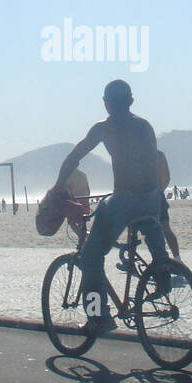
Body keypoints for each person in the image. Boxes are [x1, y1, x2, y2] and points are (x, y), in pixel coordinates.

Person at [51, 80, 170, 336]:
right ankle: (163, 270)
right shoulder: (145, 126)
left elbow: (74, 157)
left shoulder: (104, 128)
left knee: (90, 257)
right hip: (152, 198)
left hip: (125, 200)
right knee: (151, 224)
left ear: (106, 103)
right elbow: (154, 162)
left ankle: (99, 317)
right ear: (131, 101)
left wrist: (59, 186)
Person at [156, 150, 181, 259]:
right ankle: (177, 259)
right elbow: (167, 178)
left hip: (143, 196)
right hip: (157, 194)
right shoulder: (159, 154)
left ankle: (161, 260)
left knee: (136, 227)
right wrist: (160, 190)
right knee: (166, 229)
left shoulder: (137, 153)